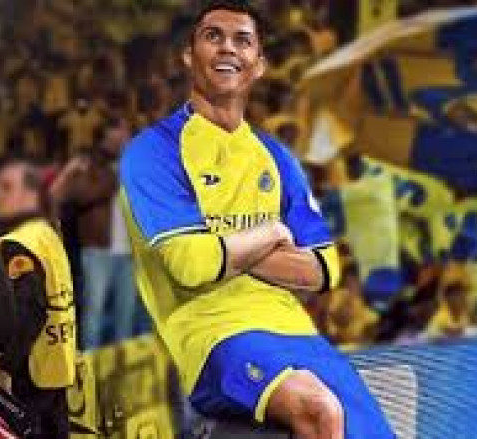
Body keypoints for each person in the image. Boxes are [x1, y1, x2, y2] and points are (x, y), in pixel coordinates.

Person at [119, 2, 395, 438]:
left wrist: (223, 245)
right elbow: (190, 265)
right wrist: (272, 233)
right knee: (320, 411)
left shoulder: (278, 158)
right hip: (213, 334)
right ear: (189, 56)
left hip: (295, 329)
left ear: (259, 65)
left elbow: (324, 269)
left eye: (242, 40)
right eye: (213, 36)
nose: (228, 48)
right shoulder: (153, 152)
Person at [0, 160, 76, 439]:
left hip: (29, 370)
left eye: (6, 188)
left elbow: (32, 310)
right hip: (58, 363)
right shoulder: (48, 233)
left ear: (29, 194)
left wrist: (5, 368)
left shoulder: (19, 243)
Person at [51, 117, 137, 349]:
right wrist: (113, 179)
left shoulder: (137, 167)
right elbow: (79, 195)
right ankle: (88, 364)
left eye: (125, 136)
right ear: (104, 139)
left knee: (125, 317)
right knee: (94, 314)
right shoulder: (90, 165)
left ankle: (120, 366)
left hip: (130, 254)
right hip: (98, 252)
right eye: (116, 137)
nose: (122, 141)